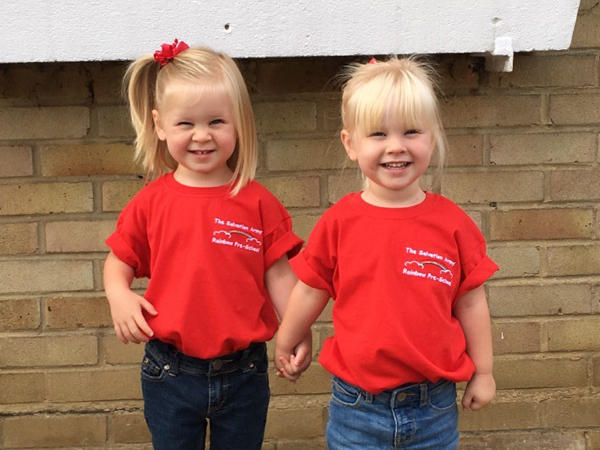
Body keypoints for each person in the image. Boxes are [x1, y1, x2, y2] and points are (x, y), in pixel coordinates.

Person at [274, 56, 499, 450]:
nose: (396, 146)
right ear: (351, 144)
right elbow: (310, 289)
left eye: (412, 131)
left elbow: (471, 303)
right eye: (378, 134)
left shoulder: (452, 223)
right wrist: (286, 339)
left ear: (433, 137)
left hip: (434, 405)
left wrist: (484, 371)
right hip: (357, 406)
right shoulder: (339, 222)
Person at [103, 39, 310, 450]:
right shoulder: (151, 202)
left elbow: (281, 278)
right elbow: (118, 262)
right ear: (160, 125)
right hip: (169, 372)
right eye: (186, 124)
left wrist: (298, 331)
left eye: (217, 121)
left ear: (240, 123)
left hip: (244, 372)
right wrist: (118, 295)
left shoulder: (259, 203)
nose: (202, 136)